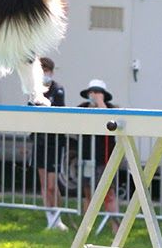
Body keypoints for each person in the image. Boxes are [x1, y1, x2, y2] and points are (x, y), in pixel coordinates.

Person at [77, 79, 120, 232]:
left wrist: (100, 104)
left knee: (109, 193)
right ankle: (85, 228)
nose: (93, 95)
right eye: (91, 92)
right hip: (87, 157)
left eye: (97, 92)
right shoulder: (83, 107)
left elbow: (110, 119)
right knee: (88, 192)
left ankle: (116, 228)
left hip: (105, 158)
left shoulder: (110, 108)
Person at [34, 57, 67, 229]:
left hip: (54, 142)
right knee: (44, 184)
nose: (44, 74)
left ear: (51, 72)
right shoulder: (35, 90)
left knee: (52, 185)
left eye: (46, 71)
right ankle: (50, 219)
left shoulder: (58, 89)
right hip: (39, 141)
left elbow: (57, 112)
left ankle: (57, 218)